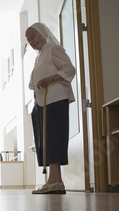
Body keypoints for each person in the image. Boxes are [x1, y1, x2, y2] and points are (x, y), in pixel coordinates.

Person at [25, 23, 76, 194]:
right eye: (28, 39)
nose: (31, 41)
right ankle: (55, 181)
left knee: (54, 139)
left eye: (33, 36)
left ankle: (55, 181)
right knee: (47, 141)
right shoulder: (39, 57)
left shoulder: (53, 49)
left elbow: (69, 69)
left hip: (55, 100)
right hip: (42, 103)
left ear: (42, 33)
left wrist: (51, 79)